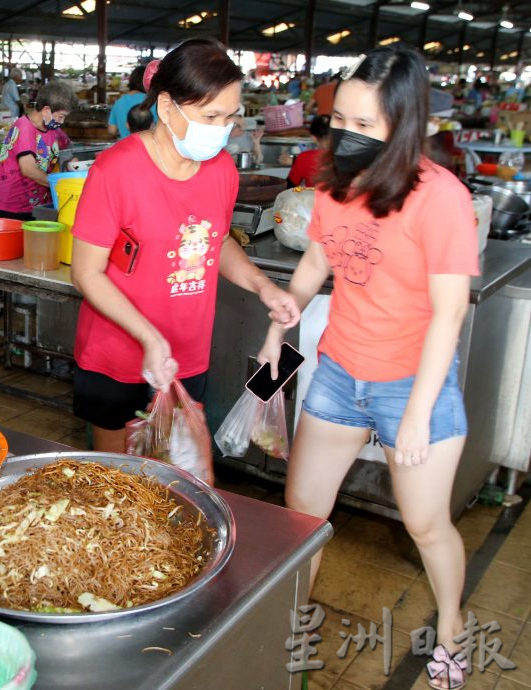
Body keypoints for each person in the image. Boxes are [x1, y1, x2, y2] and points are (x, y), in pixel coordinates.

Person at [258, 45, 478, 690]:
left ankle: (455, 632)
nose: (347, 137)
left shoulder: (441, 200)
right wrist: (281, 325)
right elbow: (315, 266)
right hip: (338, 373)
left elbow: (449, 315)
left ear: (404, 127)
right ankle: (289, 620)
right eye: (342, 122)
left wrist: (413, 418)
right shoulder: (334, 184)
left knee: (426, 524)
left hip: (416, 384)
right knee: (302, 515)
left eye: (365, 127)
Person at [70, 37, 300, 458]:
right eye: (210, 115)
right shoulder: (116, 171)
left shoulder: (221, 170)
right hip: (118, 353)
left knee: (167, 476)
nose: (221, 129)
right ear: (166, 106)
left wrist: (262, 285)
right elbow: (86, 272)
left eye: (230, 116)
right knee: (112, 478)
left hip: (187, 352)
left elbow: (217, 240)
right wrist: (148, 337)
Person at [0, 81, 76, 221]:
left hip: (37, 204)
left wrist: (72, 161)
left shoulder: (52, 128)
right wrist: (61, 185)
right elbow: (28, 169)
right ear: (47, 111)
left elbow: (68, 148)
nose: (62, 121)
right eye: (61, 116)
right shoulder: (24, 128)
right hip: (12, 206)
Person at [107, 65, 157, 139]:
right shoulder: (153, 102)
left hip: (125, 147)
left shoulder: (120, 102)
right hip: (148, 148)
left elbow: (112, 130)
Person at [286, 115, 330, 187]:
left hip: (313, 198)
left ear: (313, 138)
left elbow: (289, 186)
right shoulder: (348, 157)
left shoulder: (304, 158)